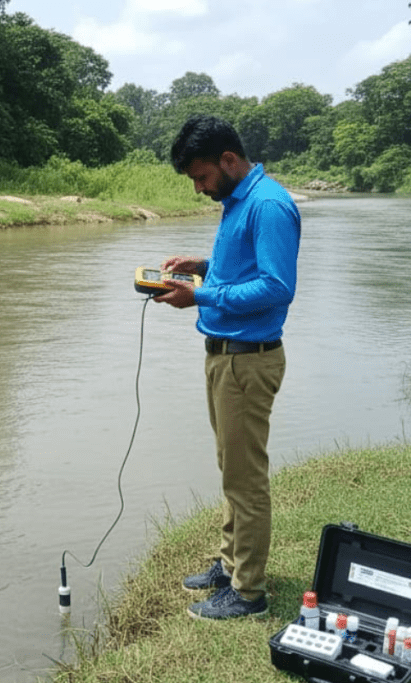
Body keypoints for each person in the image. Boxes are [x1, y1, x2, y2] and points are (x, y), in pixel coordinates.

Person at [154, 114, 301, 620]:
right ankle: (229, 563)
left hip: (248, 363)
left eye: (202, 177)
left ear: (229, 160)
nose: (198, 188)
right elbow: (244, 269)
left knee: (245, 478)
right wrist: (203, 267)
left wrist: (200, 295)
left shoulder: (268, 205)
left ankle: (248, 592)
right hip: (226, 357)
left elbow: (277, 287)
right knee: (230, 468)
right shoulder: (237, 200)